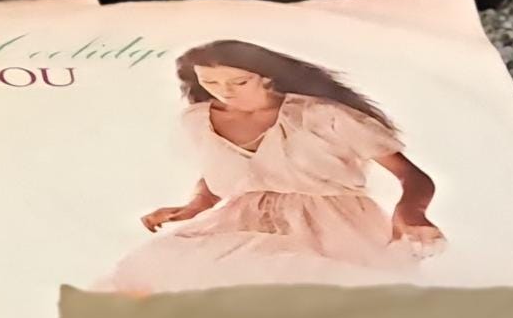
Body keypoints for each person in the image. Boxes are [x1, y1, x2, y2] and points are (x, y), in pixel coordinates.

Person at [99, 41, 444, 289]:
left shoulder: (323, 115)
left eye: (238, 81)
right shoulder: (197, 120)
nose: (224, 92)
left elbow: (411, 176)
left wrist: (411, 212)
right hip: (239, 221)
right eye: (210, 82)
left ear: (266, 76)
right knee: (157, 272)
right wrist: (194, 206)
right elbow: (220, 172)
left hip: (331, 225)